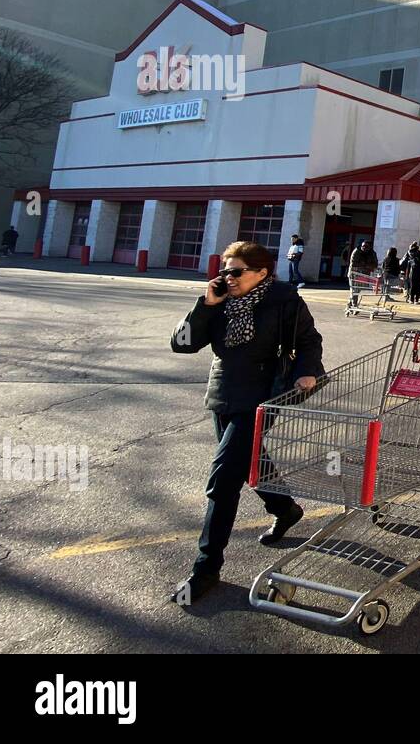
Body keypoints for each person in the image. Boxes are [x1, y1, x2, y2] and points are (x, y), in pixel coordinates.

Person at [167, 241, 324, 604]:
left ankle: (205, 569)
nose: (227, 277)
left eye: (236, 271)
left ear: (261, 273)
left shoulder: (284, 300)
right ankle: (285, 509)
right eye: (225, 269)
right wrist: (205, 305)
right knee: (251, 463)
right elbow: (182, 344)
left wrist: (307, 373)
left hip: (262, 395)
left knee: (223, 480)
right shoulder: (219, 301)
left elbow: (308, 341)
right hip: (223, 392)